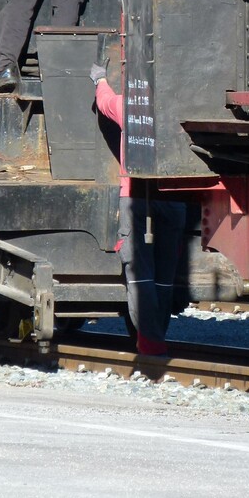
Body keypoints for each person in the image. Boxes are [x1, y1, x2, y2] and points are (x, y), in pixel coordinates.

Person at [90, 62, 186, 356]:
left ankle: (150, 341)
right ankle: (157, 336)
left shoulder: (131, 104)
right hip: (175, 197)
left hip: (136, 197)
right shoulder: (180, 106)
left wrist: (100, 79)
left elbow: (104, 102)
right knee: (165, 272)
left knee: (139, 272)